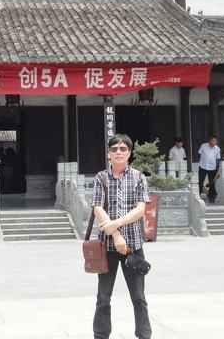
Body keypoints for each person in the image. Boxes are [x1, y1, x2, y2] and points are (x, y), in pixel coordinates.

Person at [92, 133, 151, 339]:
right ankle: (101, 335)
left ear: (129, 153)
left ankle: (144, 335)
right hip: (107, 247)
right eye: (114, 149)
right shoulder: (101, 177)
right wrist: (116, 235)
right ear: (109, 154)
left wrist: (116, 224)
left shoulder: (138, 177)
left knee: (139, 297)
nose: (118, 152)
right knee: (103, 297)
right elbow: (98, 208)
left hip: (132, 246)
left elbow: (140, 209)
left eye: (123, 149)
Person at [198, 135, 221, 204]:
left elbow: (218, 159)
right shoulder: (203, 146)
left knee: (212, 183)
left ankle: (212, 197)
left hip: (212, 168)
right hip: (203, 166)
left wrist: (217, 170)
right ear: (209, 141)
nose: (214, 142)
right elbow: (199, 153)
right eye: (213, 140)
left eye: (215, 141)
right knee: (200, 181)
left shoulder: (217, 149)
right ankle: (198, 196)